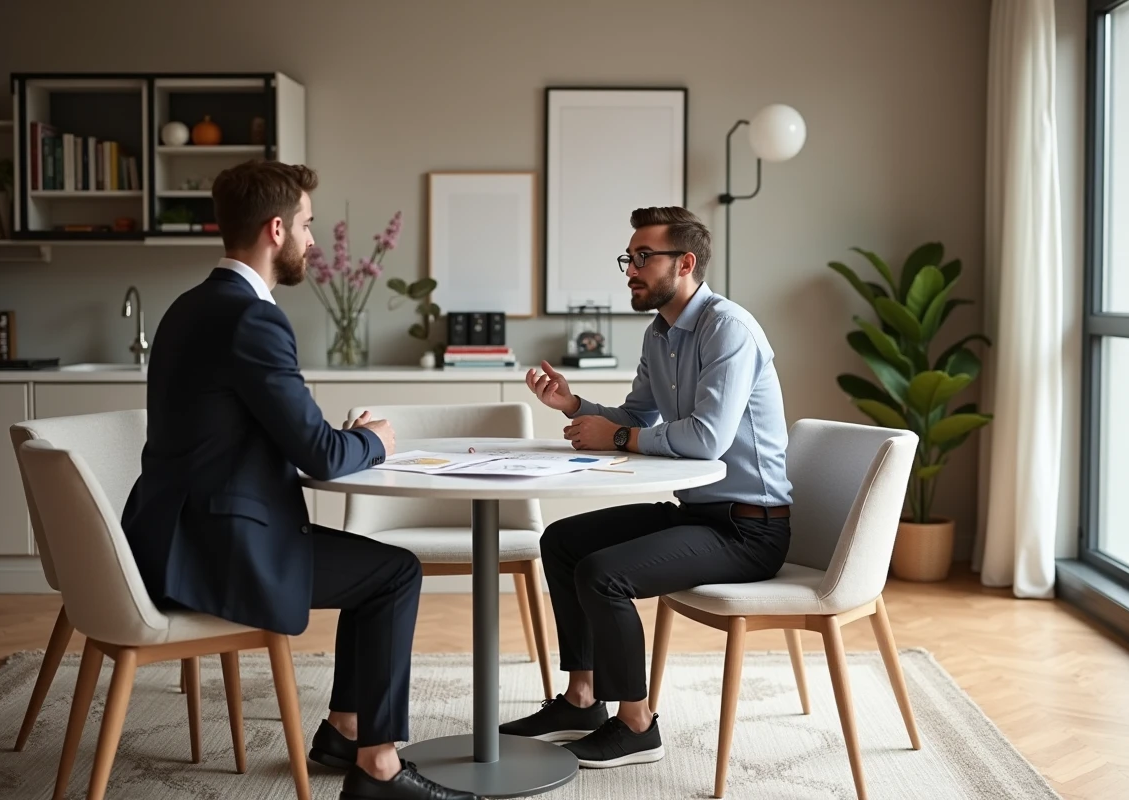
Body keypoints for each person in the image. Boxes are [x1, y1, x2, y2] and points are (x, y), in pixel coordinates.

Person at [121, 160, 476, 800]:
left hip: (167, 540)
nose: (313, 242)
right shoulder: (253, 318)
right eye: (308, 226)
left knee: (375, 569)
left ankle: (345, 729)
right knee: (395, 573)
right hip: (221, 551)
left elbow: (256, 429)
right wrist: (374, 440)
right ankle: (379, 768)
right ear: (276, 228)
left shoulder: (187, 307)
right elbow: (319, 456)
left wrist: (332, 438)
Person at [498, 206, 793, 769]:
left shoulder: (728, 329)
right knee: (562, 541)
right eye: (627, 258)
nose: (630, 269)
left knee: (602, 575)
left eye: (642, 257)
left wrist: (624, 434)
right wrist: (574, 405)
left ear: (685, 263)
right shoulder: (661, 335)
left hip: (749, 530)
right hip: (700, 515)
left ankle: (636, 725)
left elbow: (706, 439)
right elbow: (636, 418)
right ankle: (583, 700)